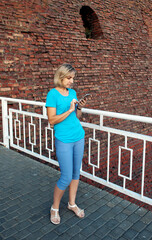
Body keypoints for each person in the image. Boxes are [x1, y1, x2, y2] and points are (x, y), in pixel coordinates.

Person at [46, 63, 86, 224]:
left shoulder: (73, 92)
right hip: (63, 139)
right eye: (69, 78)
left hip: (78, 136)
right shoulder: (52, 94)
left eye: (73, 78)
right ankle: (54, 208)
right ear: (61, 77)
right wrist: (69, 110)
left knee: (76, 173)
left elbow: (77, 117)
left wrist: (80, 108)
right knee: (66, 176)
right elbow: (52, 120)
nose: (71, 81)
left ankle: (72, 204)